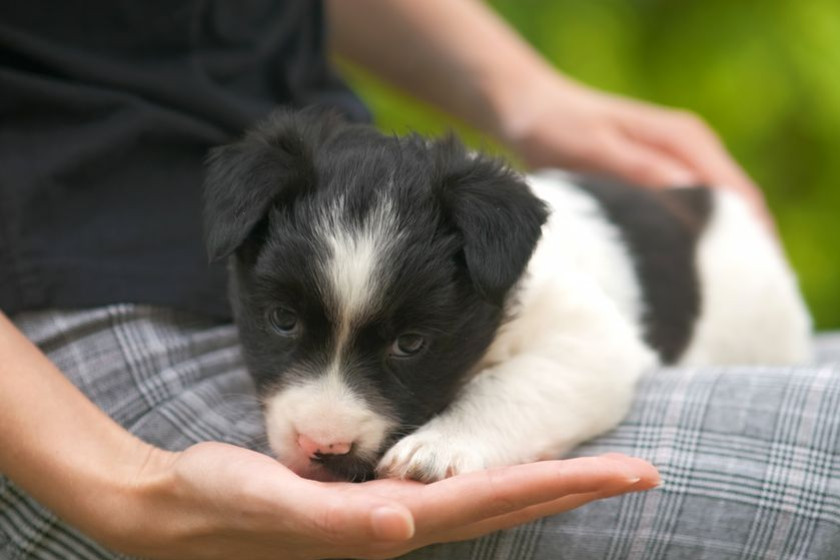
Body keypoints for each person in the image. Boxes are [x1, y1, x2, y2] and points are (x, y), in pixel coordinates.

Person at [1, 1, 836, 559]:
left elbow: (597, 358)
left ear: (502, 275)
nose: (327, 426)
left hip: (734, 314)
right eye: (287, 326)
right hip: (74, 336)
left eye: (405, 342)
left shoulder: (510, 257)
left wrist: (527, 92)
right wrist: (125, 486)